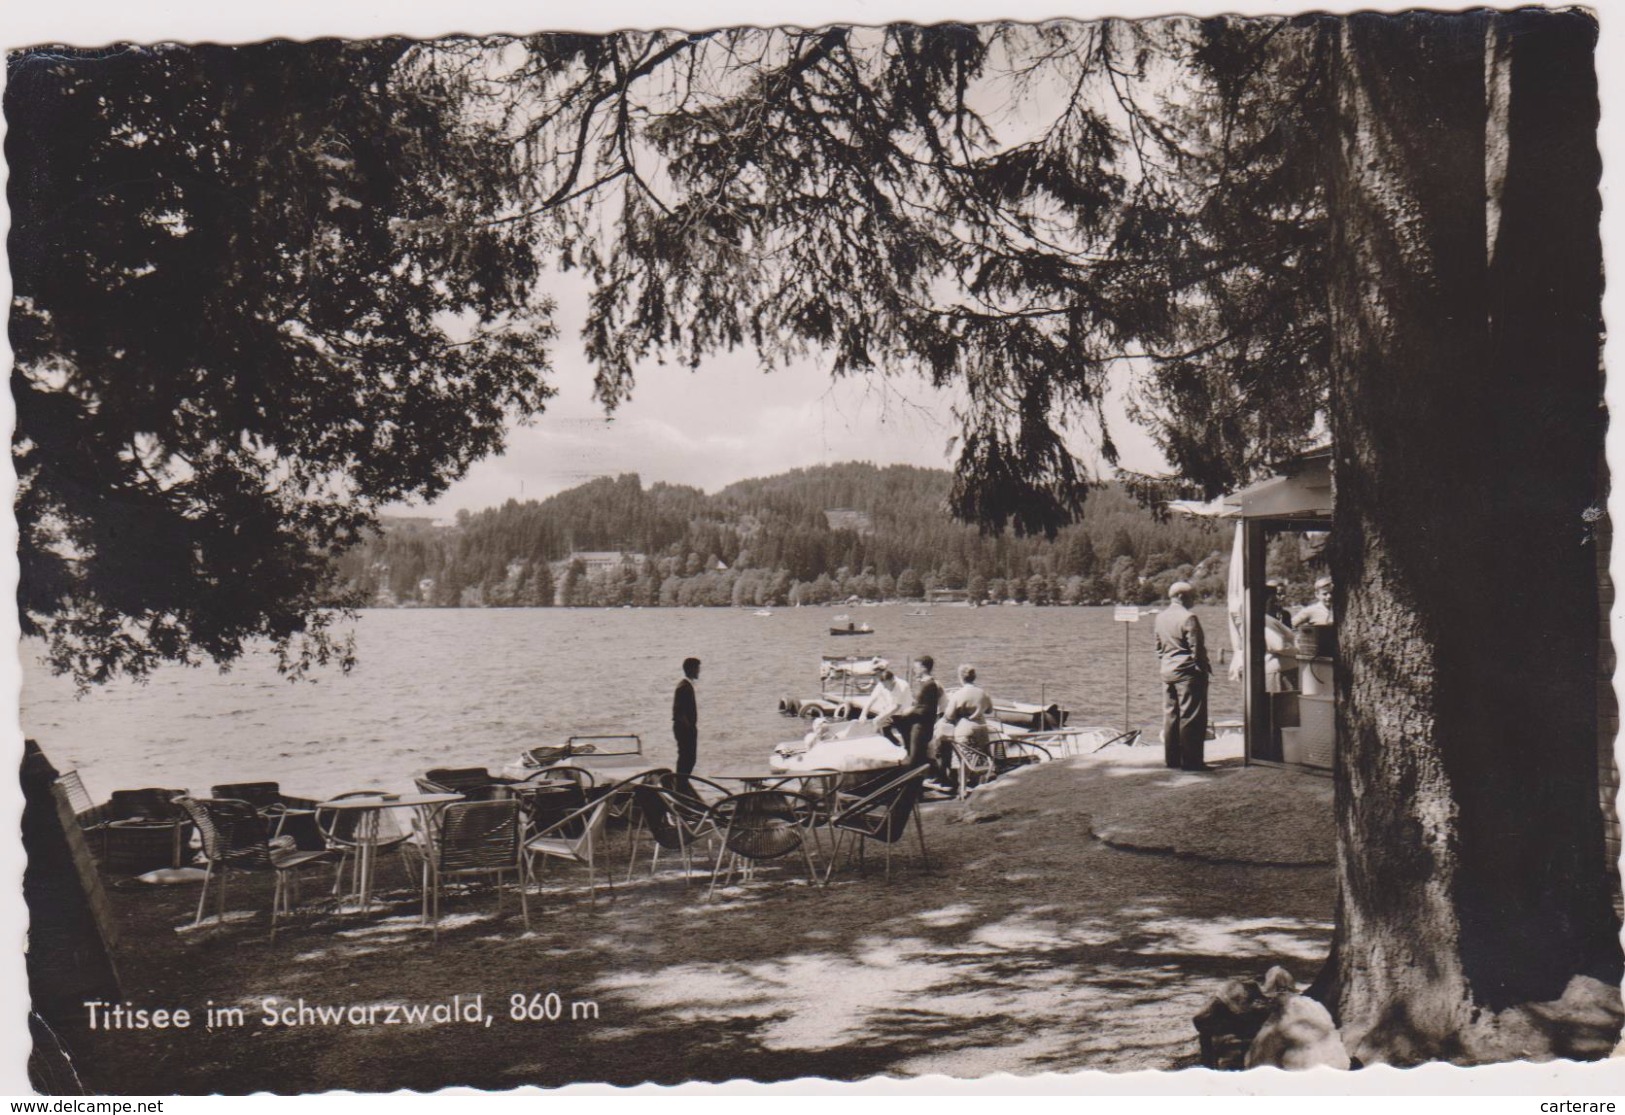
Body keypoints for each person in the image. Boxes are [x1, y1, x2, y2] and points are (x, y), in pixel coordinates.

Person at [1154, 582, 1212, 772]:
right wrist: (1203, 670)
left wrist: (1166, 663)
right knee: (1191, 717)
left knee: (1171, 715)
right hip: (1187, 673)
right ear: (1181, 596)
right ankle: (1192, 762)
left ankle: (1172, 759)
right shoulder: (1189, 617)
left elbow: (1158, 648)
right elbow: (1197, 649)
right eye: (1191, 596)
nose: (1193, 599)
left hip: (1167, 672)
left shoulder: (1160, 618)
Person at [933, 664, 994, 788]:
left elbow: (949, 715)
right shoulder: (982, 693)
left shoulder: (958, 694)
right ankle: (977, 784)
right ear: (974, 677)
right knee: (980, 757)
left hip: (965, 728)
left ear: (961, 677)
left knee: (964, 759)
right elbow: (989, 710)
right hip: (982, 727)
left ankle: (962, 788)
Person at [878, 655, 943, 768]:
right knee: (919, 755)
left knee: (914, 759)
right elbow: (920, 704)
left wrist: (909, 711)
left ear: (924, 668)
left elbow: (926, 709)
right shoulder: (924, 683)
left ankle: (914, 782)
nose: (914, 670)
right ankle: (932, 777)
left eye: (916, 667)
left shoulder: (929, 685)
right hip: (916, 723)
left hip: (922, 726)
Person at [671, 657, 701, 776]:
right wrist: (689, 728)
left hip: (684, 728)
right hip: (684, 729)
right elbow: (679, 712)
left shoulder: (686, 686)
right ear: (691, 669)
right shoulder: (684, 687)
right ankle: (681, 783)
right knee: (687, 758)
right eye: (697, 668)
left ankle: (682, 782)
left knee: (688, 758)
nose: (699, 671)